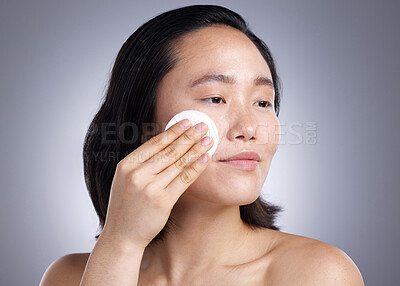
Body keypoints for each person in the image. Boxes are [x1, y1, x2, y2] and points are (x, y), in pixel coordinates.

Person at [40, 4, 364, 286]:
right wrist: (120, 245)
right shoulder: (68, 277)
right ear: (142, 125)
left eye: (263, 102)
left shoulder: (318, 274)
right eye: (215, 98)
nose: (248, 128)